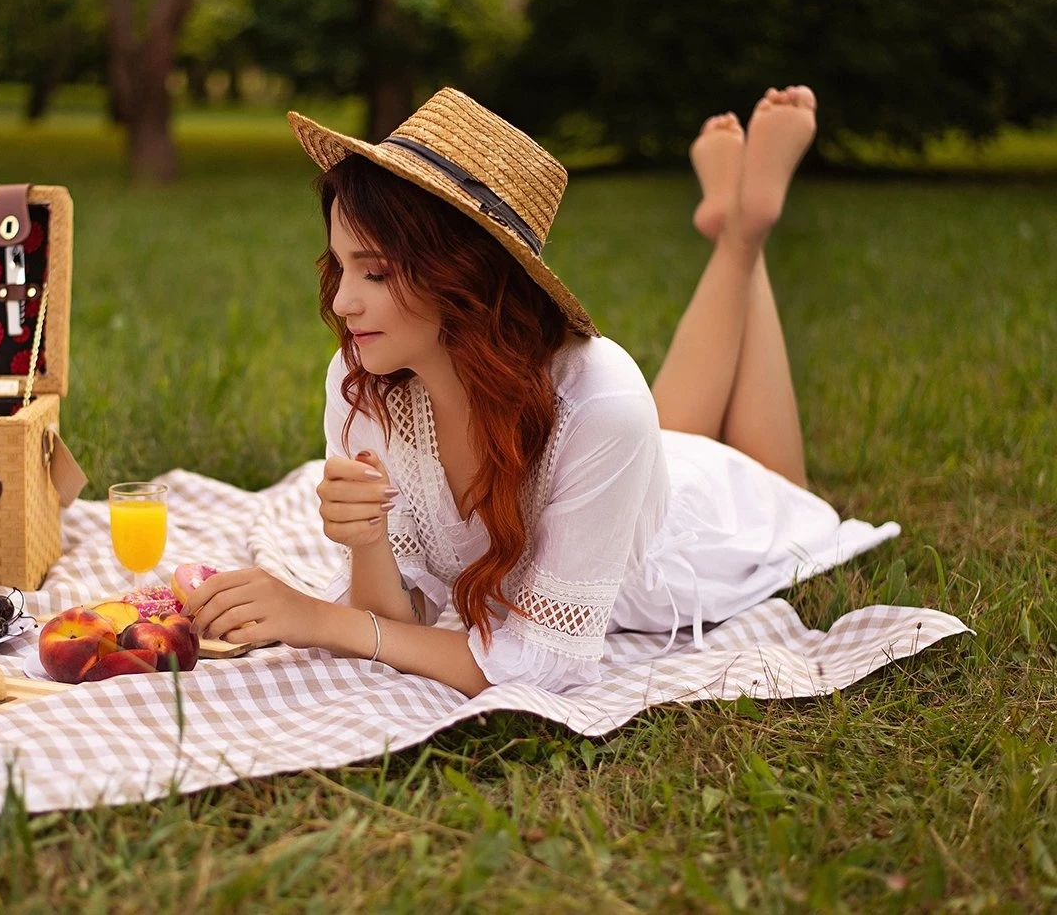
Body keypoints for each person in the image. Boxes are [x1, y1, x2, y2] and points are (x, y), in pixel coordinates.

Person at [184, 86, 891, 697]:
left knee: (784, 487)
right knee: (669, 432)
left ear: (463, 274)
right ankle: (736, 230)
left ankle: (744, 233)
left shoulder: (600, 397)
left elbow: (542, 663)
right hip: (637, 458)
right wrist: (367, 540)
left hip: (699, 532)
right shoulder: (362, 383)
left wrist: (315, 617)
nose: (342, 303)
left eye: (375, 272)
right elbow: (398, 620)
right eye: (339, 267)